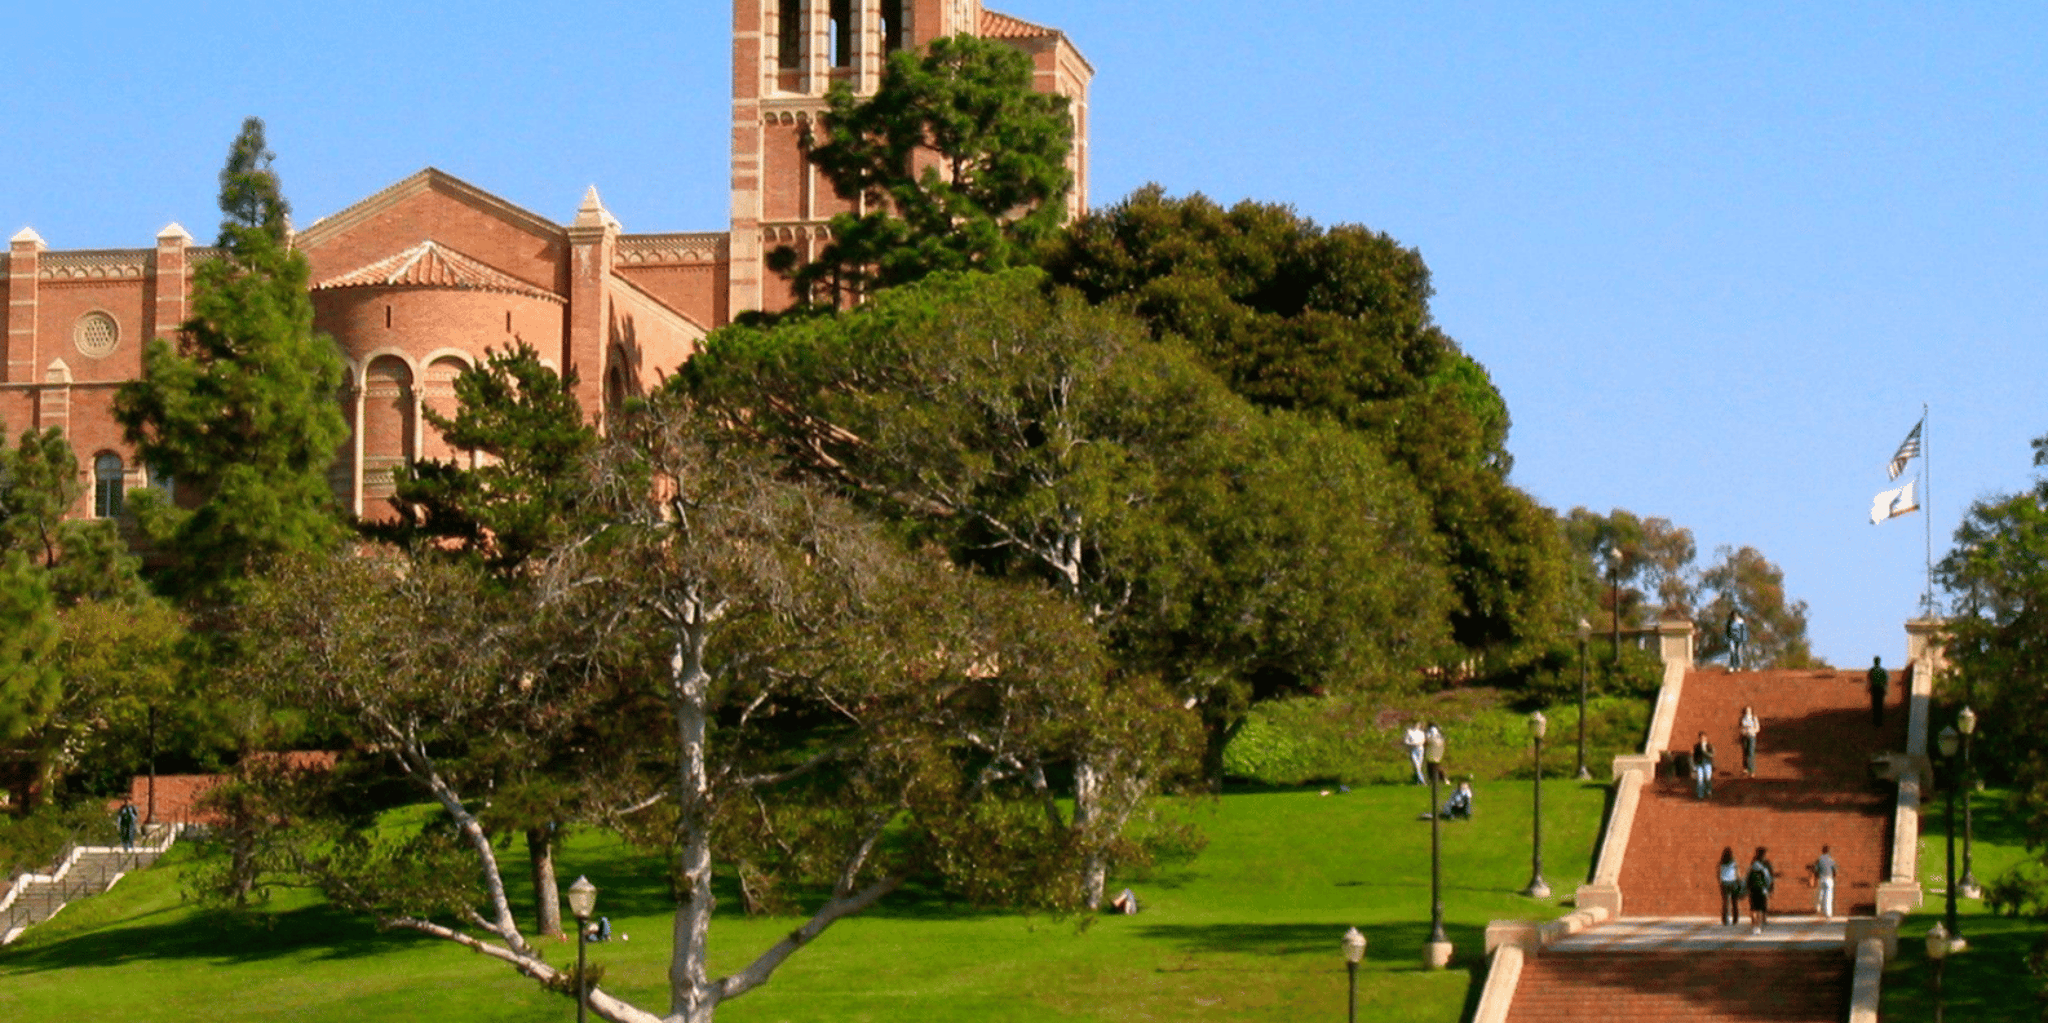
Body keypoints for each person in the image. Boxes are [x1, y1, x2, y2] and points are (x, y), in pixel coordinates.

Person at [1745, 846, 1776, 934]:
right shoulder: (1764, 866)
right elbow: (1768, 879)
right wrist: (1769, 888)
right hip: (1762, 890)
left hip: (1752, 890)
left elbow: (1747, 878)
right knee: (1760, 909)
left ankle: (1753, 924)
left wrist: (1746, 888)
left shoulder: (1752, 865)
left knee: (1753, 908)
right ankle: (1758, 926)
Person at [1809, 845, 1838, 920]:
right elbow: (1834, 871)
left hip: (1822, 879)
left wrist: (1815, 878)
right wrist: (1833, 876)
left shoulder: (1819, 859)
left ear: (1822, 851)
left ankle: (1818, 907)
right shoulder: (1831, 860)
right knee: (1828, 896)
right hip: (1829, 879)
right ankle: (1828, 914)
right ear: (1828, 851)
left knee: (1820, 893)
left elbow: (1815, 870)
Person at [1717, 847, 1743, 926]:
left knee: (1725, 903)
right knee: (1734, 902)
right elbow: (1737, 873)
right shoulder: (1734, 862)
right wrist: (1739, 881)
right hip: (1733, 882)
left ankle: (1725, 920)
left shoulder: (1720, 863)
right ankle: (1735, 920)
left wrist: (1720, 882)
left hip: (1724, 883)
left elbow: (1718, 873)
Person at [1692, 731, 1715, 800]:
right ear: (1699, 738)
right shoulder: (1696, 746)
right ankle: (1700, 795)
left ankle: (1708, 791)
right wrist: (1694, 765)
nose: (1702, 739)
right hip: (1699, 764)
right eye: (1701, 738)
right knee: (1700, 779)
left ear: (1706, 738)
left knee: (1708, 778)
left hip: (1707, 764)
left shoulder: (1709, 746)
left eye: (1704, 737)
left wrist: (1705, 752)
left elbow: (1712, 755)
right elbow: (1695, 756)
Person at [1867, 656, 1890, 727]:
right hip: (1881, 688)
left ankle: (1875, 721)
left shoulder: (1872, 670)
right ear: (1880, 662)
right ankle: (1879, 721)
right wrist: (1886, 689)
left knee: (1875, 704)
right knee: (1880, 704)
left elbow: (1869, 680)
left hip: (1874, 688)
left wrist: (1869, 688)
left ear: (1874, 662)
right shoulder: (1883, 671)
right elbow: (1886, 681)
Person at [1739, 706, 1761, 776]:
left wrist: (1752, 731)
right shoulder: (1743, 718)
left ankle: (1752, 771)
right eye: (1746, 710)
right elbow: (1740, 728)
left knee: (1751, 753)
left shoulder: (1754, 718)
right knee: (1745, 753)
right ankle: (1745, 769)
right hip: (1745, 737)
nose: (1748, 711)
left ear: (1751, 711)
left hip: (1752, 737)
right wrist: (1744, 731)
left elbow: (1757, 728)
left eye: (1749, 710)